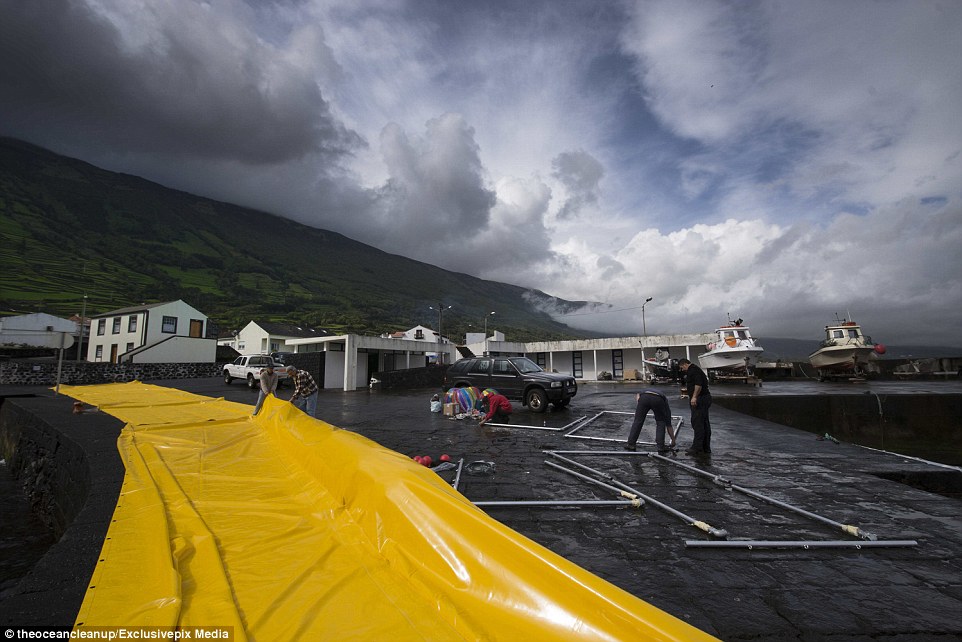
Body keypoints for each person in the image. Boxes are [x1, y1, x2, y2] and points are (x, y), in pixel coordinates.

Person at [678, 359, 712, 455]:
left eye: (682, 368)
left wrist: (694, 397)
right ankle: (705, 447)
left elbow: (698, 385)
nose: (682, 370)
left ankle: (697, 447)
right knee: (704, 423)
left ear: (685, 364)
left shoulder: (693, 370)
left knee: (698, 423)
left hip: (700, 399)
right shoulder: (696, 369)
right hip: (704, 398)